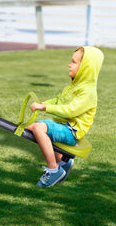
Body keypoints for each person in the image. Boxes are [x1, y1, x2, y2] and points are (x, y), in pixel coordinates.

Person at [27, 46, 104, 188]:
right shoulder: (73, 86)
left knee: (38, 128)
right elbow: (58, 100)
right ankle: (63, 161)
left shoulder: (87, 92)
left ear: (85, 68)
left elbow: (70, 111)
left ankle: (54, 169)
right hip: (64, 127)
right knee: (30, 128)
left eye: (74, 62)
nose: (69, 64)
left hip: (71, 131)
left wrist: (44, 107)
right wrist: (42, 103)